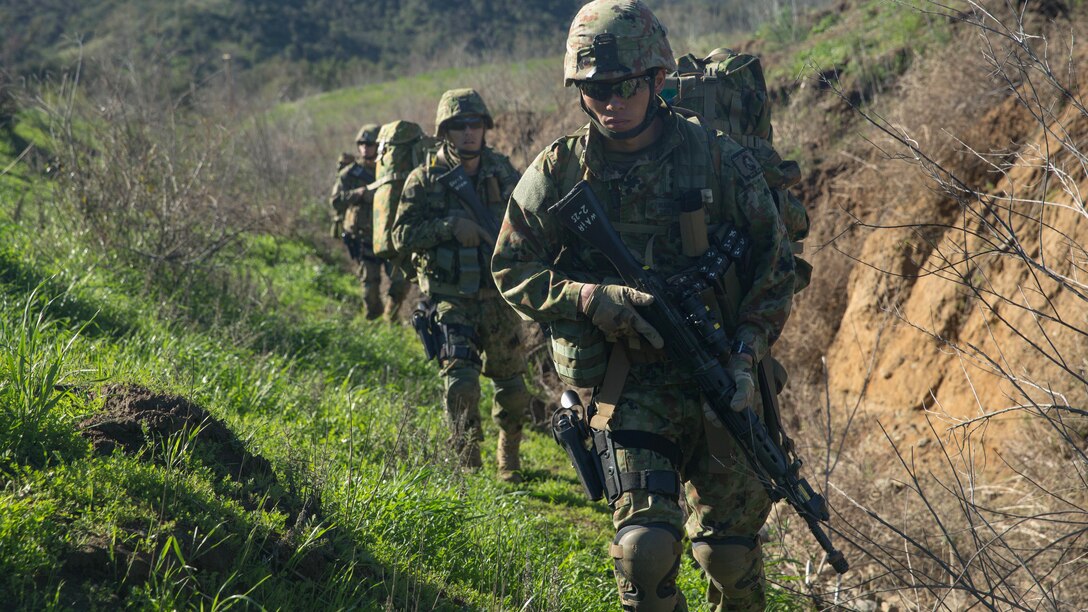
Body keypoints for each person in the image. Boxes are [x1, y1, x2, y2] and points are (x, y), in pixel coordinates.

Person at [491, 1, 797, 609]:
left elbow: (775, 265)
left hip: (721, 379)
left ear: (658, 79)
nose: (609, 101)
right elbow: (511, 267)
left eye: (624, 85)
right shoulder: (558, 171)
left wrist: (745, 352)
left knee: (730, 556)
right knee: (643, 552)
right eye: (594, 88)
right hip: (627, 387)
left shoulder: (716, 157)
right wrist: (588, 297)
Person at [392, 89, 533, 483]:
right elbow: (400, 235)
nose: (469, 133)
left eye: (475, 125)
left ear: (485, 129)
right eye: (459, 126)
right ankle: (467, 460)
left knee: (512, 386)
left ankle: (510, 456)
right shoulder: (424, 179)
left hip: (497, 297)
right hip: (450, 297)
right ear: (444, 132)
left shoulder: (503, 171)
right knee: (460, 382)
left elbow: (530, 221)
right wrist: (450, 227)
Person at [329, 123, 409, 320]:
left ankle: (392, 314)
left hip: (390, 239)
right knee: (369, 293)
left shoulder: (392, 170)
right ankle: (374, 322)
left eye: (370, 143)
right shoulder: (350, 174)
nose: (366, 147)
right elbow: (335, 202)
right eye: (362, 143)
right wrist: (357, 195)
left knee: (401, 282)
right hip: (365, 240)